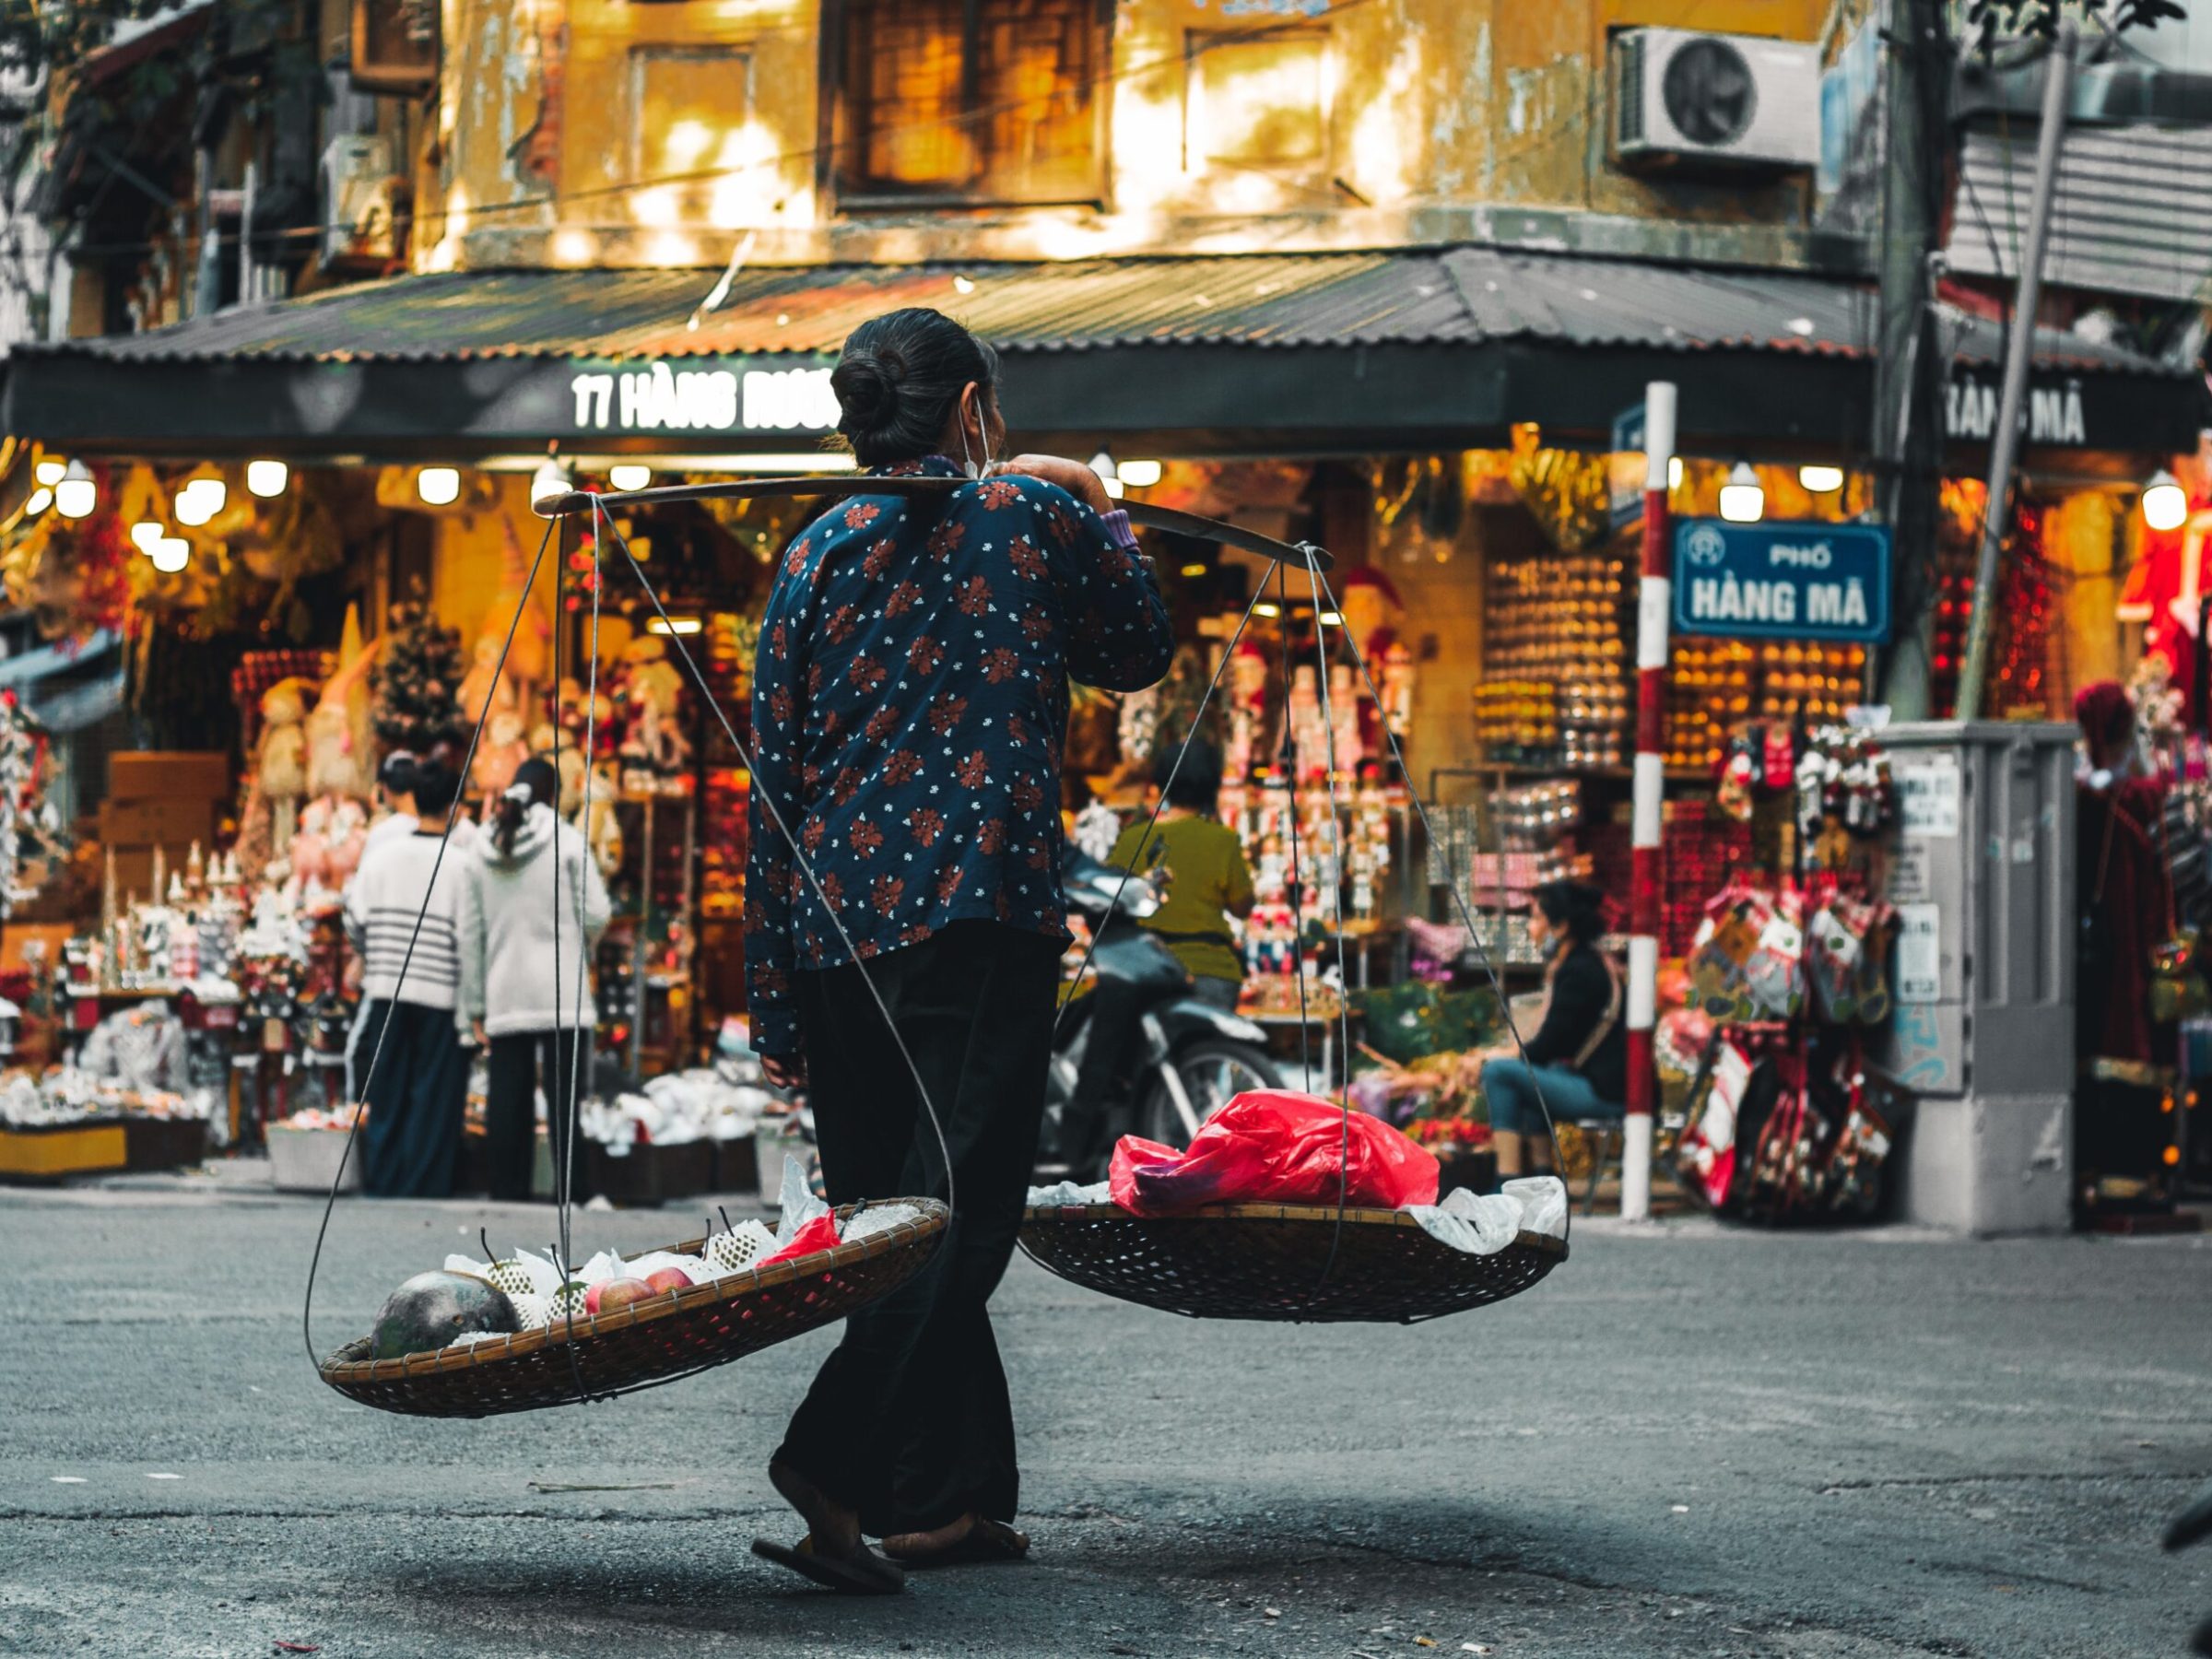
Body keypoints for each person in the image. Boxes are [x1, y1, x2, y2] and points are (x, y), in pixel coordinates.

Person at [746, 306, 1173, 1592]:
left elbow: (775, 786)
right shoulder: (1029, 519)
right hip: (976, 916)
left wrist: (773, 997)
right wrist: (1097, 498)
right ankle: (832, 1460)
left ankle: (942, 1501)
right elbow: (1139, 650)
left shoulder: (814, 551)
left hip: (835, 933)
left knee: (892, 1219)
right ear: (974, 408)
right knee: (954, 1223)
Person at [456, 756, 610, 1205]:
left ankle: (507, 1190)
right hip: (562, 986)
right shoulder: (567, 839)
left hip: (504, 987)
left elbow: (470, 933)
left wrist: (474, 1004)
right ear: (553, 793)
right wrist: (579, 944)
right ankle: (574, 1190)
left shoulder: (480, 847)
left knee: (507, 1095)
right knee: (565, 1099)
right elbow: (597, 912)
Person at [344, 756, 472, 1197]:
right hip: (440, 993)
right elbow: (468, 937)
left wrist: (376, 952)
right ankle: (424, 1182)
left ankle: (384, 1178)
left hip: (387, 989)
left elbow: (354, 919)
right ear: (456, 808)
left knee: (388, 1088)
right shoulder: (461, 866)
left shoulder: (383, 857)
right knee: (432, 1094)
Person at [1479, 878, 1627, 1181]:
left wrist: (1497, 1056)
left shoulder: (1579, 971)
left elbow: (1548, 1046)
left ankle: (1505, 1181)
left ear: (1560, 927)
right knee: (1533, 1080)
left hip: (1607, 1093)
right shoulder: (1586, 963)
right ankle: (1543, 1177)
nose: (1530, 929)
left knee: (1498, 1073)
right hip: (1604, 1084)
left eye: (1536, 918)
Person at [1109, 738, 1255, 1009]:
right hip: (1211, 971)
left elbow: (1111, 903)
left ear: (1161, 781)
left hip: (1143, 969)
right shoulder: (1223, 839)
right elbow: (1242, 907)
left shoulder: (1132, 839)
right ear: (1212, 786)